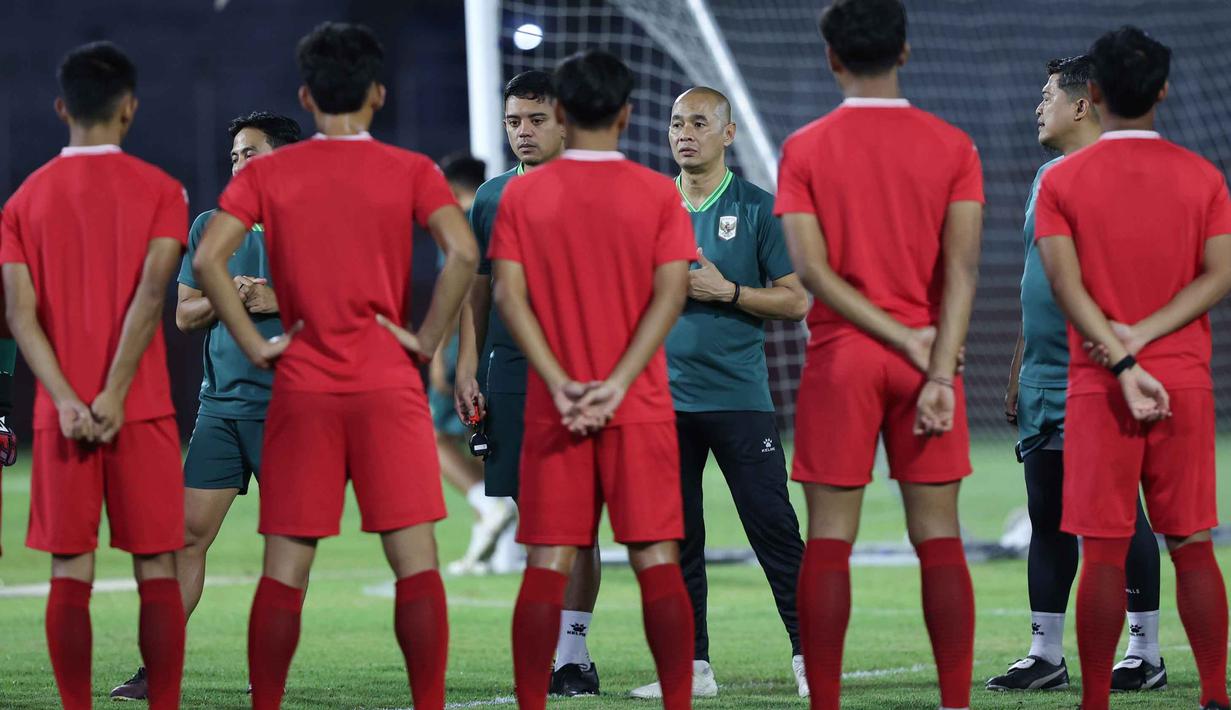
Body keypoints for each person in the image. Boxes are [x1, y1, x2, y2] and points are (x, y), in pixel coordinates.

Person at [192, 22, 477, 710]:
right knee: (414, 564)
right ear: (378, 93)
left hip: (302, 385)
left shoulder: (270, 172)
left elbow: (207, 261)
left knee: (286, 567)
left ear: (306, 95)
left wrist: (259, 345)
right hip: (385, 382)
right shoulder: (410, 169)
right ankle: (428, 702)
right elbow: (464, 253)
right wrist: (423, 336)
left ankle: (267, 701)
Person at [776, 1, 984, 708]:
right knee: (938, 537)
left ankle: (825, 703)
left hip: (842, 359)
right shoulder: (952, 145)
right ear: (904, 51)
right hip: (927, 357)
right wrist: (936, 364)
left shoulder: (804, 147)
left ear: (831, 58)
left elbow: (812, 272)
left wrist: (896, 338)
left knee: (829, 539)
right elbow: (961, 272)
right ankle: (954, 700)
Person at [490, 49, 697, 710]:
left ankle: (531, 699)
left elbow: (508, 299)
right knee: (656, 562)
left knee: (548, 562)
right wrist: (617, 383)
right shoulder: (655, 191)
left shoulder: (522, 193)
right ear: (628, 113)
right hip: (637, 405)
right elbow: (671, 296)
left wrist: (559, 383)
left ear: (561, 113)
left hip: (556, 410)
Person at [1035, 25, 1231, 710]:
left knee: (1103, 551)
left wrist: (1120, 357)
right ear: (1164, 90)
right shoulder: (1202, 177)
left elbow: (1064, 286)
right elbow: (1218, 276)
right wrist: (1147, 337)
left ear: (1092, 92)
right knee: (1192, 545)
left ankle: (1094, 701)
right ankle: (1212, 695)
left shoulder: (1061, 180)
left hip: (1099, 386)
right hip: (1182, 380)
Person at [1, 41, 188, 709]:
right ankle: (163, 702)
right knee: (157, 566)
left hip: (62, 416)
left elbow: (21, 318)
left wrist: (66, 398)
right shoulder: (164, 191)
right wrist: (113, 393)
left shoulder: (22, 203)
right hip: (141, 409)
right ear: (129, 108)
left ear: (62, 108)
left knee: (68, 568)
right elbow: (151, 296)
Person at [988, 55, 1166, 693]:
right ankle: (1046, 653)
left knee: (1120, 513)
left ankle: (1144, 650)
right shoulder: (1044, 177)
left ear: (1082, 104)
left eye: (1047, 97)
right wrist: (1018, 367)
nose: (1040, 109)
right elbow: (1038, 283)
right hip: (1041, 377)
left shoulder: (1124, 176)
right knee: (1047, 514)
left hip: (1099, 373)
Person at [110, 110, 301, 701]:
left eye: (251, 153)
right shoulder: (210, 227)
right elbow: (186, 314)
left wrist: (281, 296)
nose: (239, 164)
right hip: (220, 409)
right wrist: (229, 297)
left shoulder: (318, 223)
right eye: (236, 156)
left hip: (294, 411)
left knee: (285, 547)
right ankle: (157, 668)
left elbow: (356, 308)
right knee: (187, 537)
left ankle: (267, 673)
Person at [630, 86, 809, 700]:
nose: (685, 133)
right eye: (677, 122)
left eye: (700, 123)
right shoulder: (649, 208)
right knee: (677, 540)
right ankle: (691, 669)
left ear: (728, 134)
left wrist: (726, 292)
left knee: (775, 530)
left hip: (739, 401)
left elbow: (795, 300)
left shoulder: (760, 208)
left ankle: (811, 656)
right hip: (661, 405)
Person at [455, 70, 604, 695]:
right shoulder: (489, 196)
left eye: (535, 120)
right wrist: (468, 364)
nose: (522, 132)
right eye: (514, 121)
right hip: (512, 374)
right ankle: (557, 653)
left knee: (580, 521)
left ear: (564, 120)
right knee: (537, 517)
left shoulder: (601, 188)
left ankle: (572, 654)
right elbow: (479, 288)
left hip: (587, 374)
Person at [432, 151, 516, 576]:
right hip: (500, 341)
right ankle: (490, 514)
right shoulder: (496, 211)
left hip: (463, 344)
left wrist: (437, 352)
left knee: (433, 436)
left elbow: (461, 290)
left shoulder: (460, 221)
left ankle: (489, 504)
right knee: (486, 437)